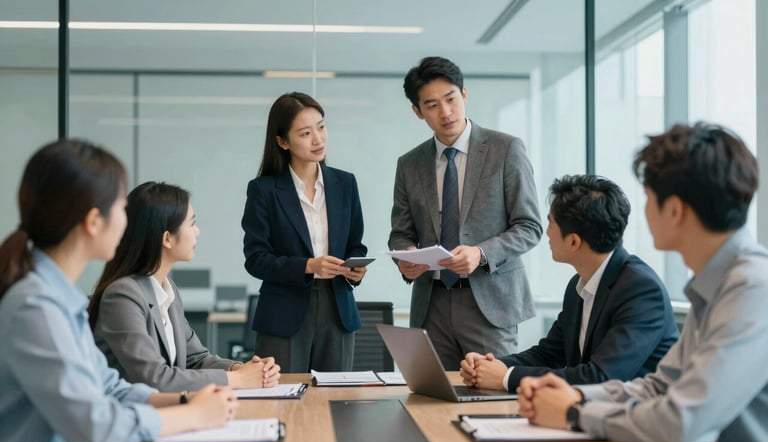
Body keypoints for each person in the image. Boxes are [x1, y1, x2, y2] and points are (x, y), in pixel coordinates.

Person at [518, 123, 768, 442]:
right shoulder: (715, 284)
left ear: (675, 210)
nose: (643, 211)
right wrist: (578, 396)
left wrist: (575, 413)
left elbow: (682, 420)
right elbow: (659, 386)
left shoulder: (752, 289)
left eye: (649, 198)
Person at [0, 139, 238, 442]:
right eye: (120, 209)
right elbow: (93, 425)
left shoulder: (58, 297)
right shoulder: (35, 306)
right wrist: (191, 416)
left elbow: (108, 386)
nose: (127, 223)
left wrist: (184, 401)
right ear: (93, 221)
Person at [389, 56, 542, 370]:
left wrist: (481, 253)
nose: (445, 112)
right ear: (417, 112)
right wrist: (406, 257)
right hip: (430, 304)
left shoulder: (506, 149)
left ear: (464, 94)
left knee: (491, 396)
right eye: (432, 105)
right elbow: (401, 232)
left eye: (451, 99)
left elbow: (529, 226)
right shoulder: (410, 164)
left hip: (488, 301)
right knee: (431, 399)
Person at [460, 174, 679, 392]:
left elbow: (601, 377)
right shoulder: (579, 285)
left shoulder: (641, 290)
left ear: (574, 241)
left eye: (551, 223)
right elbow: (549, 353)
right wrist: (492, 366)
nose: (547, 232)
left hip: (635, 418)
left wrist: (507, 377)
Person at [89, 181, 280, 392]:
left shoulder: (167, 288)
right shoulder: (122, 296)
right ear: (167, 238)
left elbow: (195, 358)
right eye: (191, 223)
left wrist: (241, 369)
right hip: (133, 418)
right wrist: (239, 380)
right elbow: (154, 379)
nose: (197, 232)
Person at [241, 92, 368, 373]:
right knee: (282, 402)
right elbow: (256, 259)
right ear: (282, 141)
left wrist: (355, 268)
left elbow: (355, 245)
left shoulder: (345, 184)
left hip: (337, 310)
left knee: (336, 404)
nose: (318, 139)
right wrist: (309, 266)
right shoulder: (263, 190)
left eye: (321, 128)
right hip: (284, 314)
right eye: (305, 133)